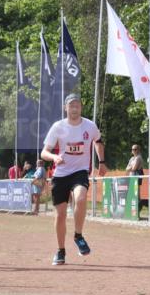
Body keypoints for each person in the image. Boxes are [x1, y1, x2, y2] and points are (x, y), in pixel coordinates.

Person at [41, 94, 107, 266]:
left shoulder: (90, 126)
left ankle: (78, 235)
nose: (74, 108)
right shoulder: (58, 127)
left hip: (80, 171)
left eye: (77, 105)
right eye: (71, 105)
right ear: (66, 108)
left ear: (81, 108)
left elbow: (98, 142)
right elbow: (44, 152)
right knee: (61, 214)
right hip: (61, 173)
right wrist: (54, 157)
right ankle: (60, 251)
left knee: (81, 198)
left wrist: (102, 162)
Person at [126, 144, 146, 218]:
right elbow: (126, 168)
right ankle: (133, 213)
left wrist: (130, 167)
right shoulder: (131, 158)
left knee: (136, 195)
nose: (133, 151)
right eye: (132, 149)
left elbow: (134, 168)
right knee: (132, 195)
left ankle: (137, 214)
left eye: (135, 149)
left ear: (138, 150)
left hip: (136, 178)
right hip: (131, 178)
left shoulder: (139, 158)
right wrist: (131, 167)